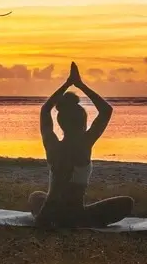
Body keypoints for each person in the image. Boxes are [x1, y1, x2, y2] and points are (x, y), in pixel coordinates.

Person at [29, 62, 134, 228]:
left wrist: (67, 84)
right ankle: (75, 222)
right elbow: (106, 110)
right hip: (75, 217)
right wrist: (79, 84)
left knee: (36, 196)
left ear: (61, 123)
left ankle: (56, 220)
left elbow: (45, 110)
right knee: (127, 203)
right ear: (84, 123)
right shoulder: (84, 144)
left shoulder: (52, 144)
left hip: (49, 214)